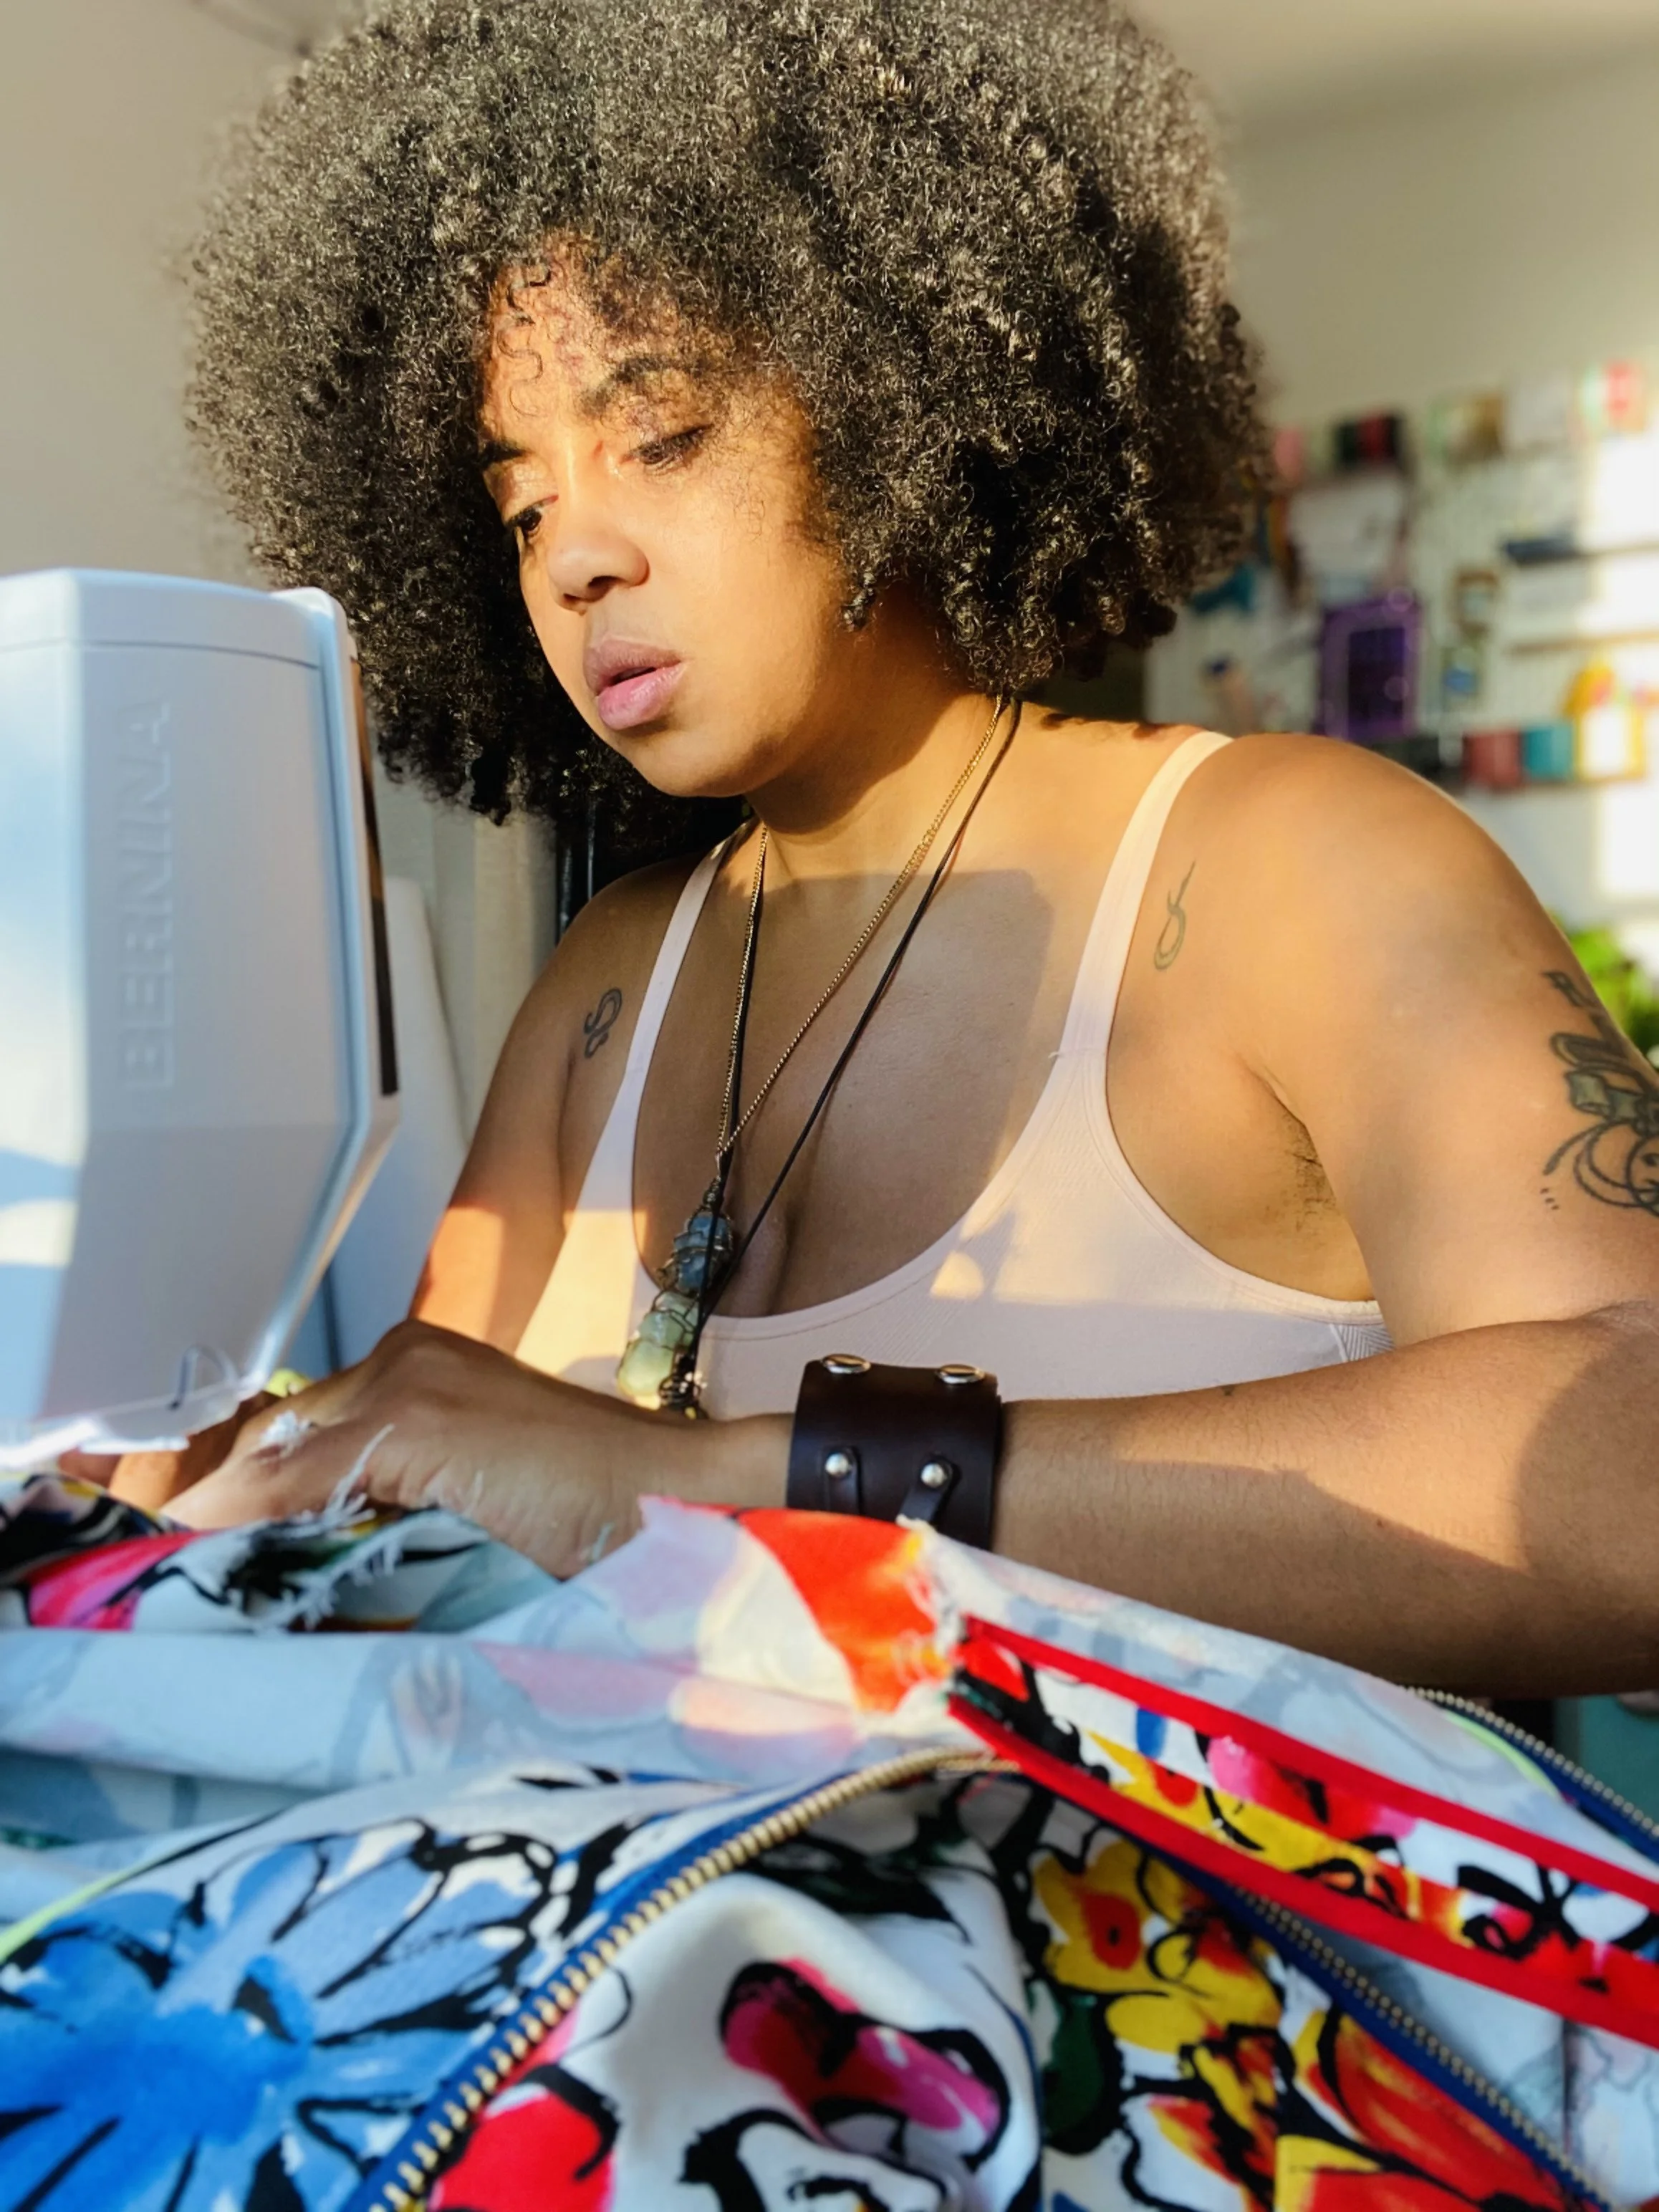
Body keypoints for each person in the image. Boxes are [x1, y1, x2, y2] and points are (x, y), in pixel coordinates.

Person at [142, 0, 1659, 1693]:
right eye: (522, 503)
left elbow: (1636, 1475)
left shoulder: (1289, 864)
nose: (577, 557)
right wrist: (217, 1488)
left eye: (660, 435)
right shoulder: (607, 990)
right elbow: (436, 1497)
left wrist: (725, 1478)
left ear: (900, 393)